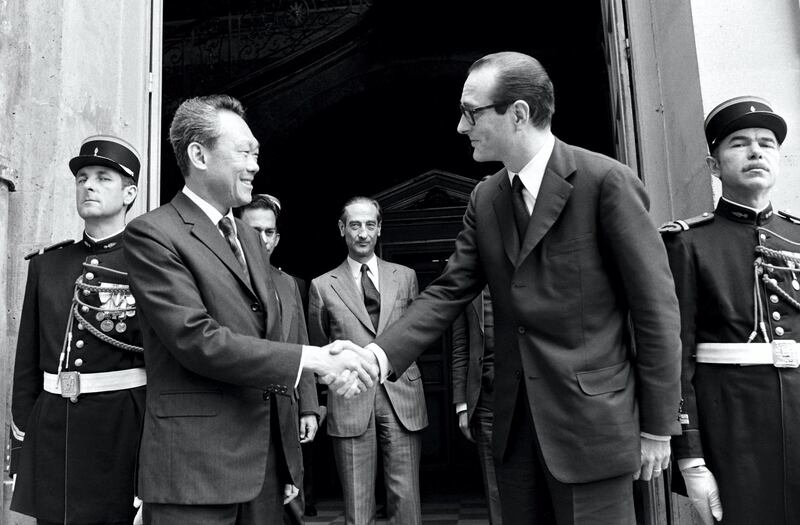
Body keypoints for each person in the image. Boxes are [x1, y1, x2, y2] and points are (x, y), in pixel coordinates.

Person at [357, 52, 681, 524]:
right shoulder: (485, 198)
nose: (460, 126)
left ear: (519, 113)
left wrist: (658, 425)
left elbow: (655, 309)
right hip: (513, 430)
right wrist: (377, 356)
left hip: (592, 426)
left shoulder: (605, 182)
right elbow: (449, 290)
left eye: (471, 111)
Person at [123, 94, 377, 524]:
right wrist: (314, 358)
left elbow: (272, 336)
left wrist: (324, 373)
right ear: (199, 154)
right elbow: (195, 338)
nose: (255, 165)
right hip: (195, 470)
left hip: (264, 467)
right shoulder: (153, 234)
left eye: (256, 153)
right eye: (244, 152)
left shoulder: (247, 236)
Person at [661, 96, 800, 525]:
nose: (757, 151)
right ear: (715, 166)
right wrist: (691, 458)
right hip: (732, 428)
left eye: (767, 143)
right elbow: (674, 359)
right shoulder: (687, 243)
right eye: (739, 143)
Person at [10, 135, 146, 524]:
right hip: (53, 431)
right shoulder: (47, 265)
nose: (88, 185)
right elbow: (27, 367)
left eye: (103, 178)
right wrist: (22, 449)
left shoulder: (147, 263)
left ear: (129, 193)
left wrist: (151, 467)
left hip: (121, 431)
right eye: (82, 177)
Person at [308, 197, 428, 525]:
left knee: (406, 498)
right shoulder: (322, 286)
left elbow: (418, 333)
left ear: (379, 230)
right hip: (350, 400)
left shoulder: (405, 277)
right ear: (342, 229)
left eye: (370, 225)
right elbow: (319, 347)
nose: (363, 233)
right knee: (358, 504)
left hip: (401, 394)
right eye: (355, 225)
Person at [236, 193, 321, 522]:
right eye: (254, 229)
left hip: (284, 411)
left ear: (278, 237)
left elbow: (302, 345)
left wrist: (309, 407)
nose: (262, 238)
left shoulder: (290, 284)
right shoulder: (221, 280)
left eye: (269, 231)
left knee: (286, 508)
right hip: (239, 410)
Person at [451, 287, 501, 524]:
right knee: (494, 488)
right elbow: (461, 347)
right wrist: (462, 405)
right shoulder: (469, 282)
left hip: (528, 399)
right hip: (485, 402)